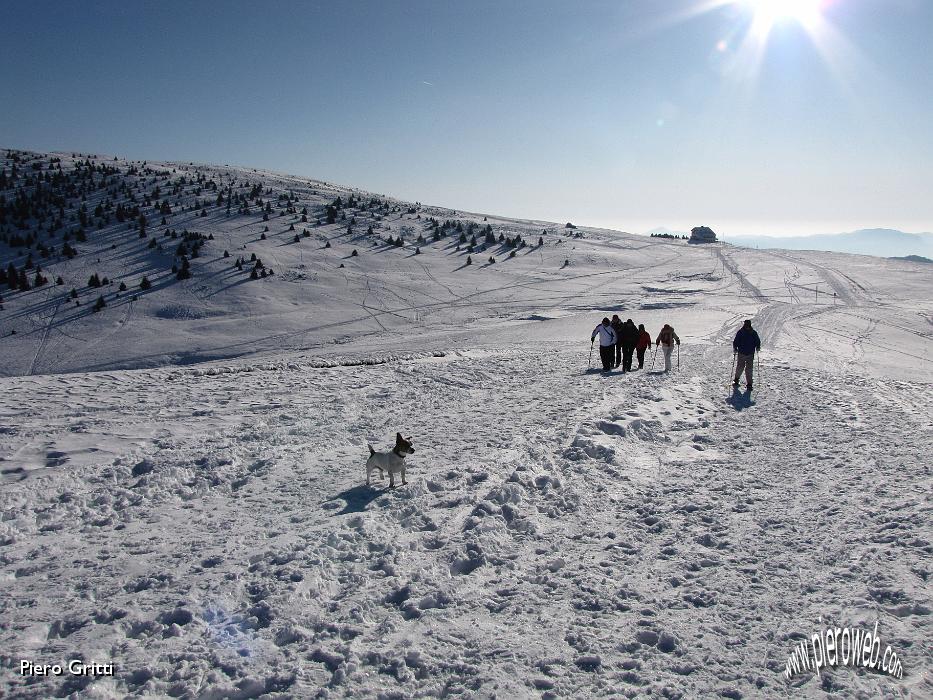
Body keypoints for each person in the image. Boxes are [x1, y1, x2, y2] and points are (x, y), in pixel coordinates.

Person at [732, 319, 761, 390]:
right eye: (746, 325)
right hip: (741, 353)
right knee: (740, 367)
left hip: (750, 354)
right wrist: (735, 348)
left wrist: (758, 346)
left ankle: (749, 384)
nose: (747, 327)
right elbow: (736, 341)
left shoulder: (753, 333)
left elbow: (757, 341)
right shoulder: (741, 332)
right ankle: (736, 379)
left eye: (748, 325)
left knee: (749, 369)